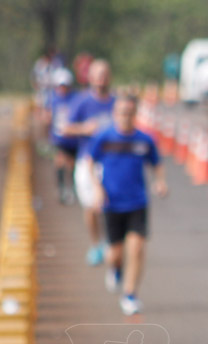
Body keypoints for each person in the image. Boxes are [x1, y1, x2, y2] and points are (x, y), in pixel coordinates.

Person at [87, 93, 167, 316]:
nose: (126, 117)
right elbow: (90, 162)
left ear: (136, 114)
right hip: (112, 204)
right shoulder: (104, 138)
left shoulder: (144, 140)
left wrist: (160, 182)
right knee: (115, 254)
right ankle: (115, 269)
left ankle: (130, 294)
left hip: (137, 202)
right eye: (122, 112)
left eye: (130, 113)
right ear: (115, 114)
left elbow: (156, 164)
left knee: (137, 247)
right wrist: (97, 188)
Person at [63, 58, 115, 266]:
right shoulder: (82, 102)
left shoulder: (116, 102)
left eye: (105, 74)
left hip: (111, 161)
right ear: (91, 77)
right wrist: (84, 129)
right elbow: (65, 127)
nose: (101, 79)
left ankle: (112, 243)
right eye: (97, 74)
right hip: (87, 161)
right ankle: (96, 244)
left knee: (109, 206)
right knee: (91, 207)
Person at [46, 68, 79, 204]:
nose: (62, 88)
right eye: (60, 85)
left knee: (71, 164)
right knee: (59, 161)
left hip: (73, 138)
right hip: (59, 137)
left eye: (65, 85)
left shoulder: (75, 98)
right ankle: (61, 188)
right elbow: (47, 116)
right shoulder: (53, 99)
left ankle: (72, 188)